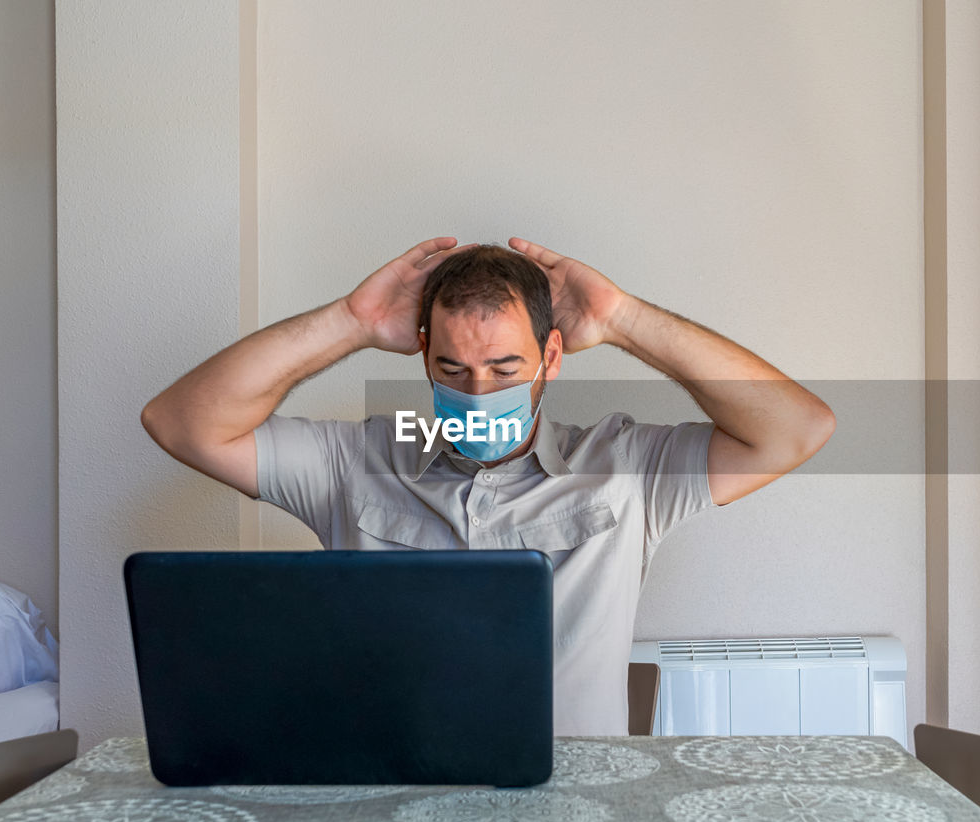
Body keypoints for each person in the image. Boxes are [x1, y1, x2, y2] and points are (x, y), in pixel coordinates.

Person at [141, 236, 835, 735]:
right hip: (392, 802)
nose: (477, 393)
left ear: (550, 358)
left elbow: (796, 429)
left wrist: (624, 319)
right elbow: (181, 423)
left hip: (575, 818)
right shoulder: (359, 460)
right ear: (423, 358)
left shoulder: (625, 468)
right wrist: (350, 324)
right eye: (452, 370)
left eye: (505, 370)